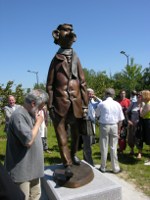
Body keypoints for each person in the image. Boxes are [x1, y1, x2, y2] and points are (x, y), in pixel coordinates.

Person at [46, 24, 88, 177]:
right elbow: (49, 85)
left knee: (76, 134)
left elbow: (83, 83)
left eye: (71, 30)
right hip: (59, 104)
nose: (70, 33)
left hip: (76, 103)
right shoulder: (55, 60)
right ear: (57, 35)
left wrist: (85, 105)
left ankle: (74, 153)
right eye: (66, 30)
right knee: (61, 135)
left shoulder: (76, 58)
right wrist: (50, 105)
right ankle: (67, 163)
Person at [4, 89, 49, 200]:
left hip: (34, 168)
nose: (40, 110)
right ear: (33, 103)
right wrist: (39, 122)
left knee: (35, 196)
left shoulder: (32, 113)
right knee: (22, 197)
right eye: (40, 107)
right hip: (22, 171)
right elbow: (28, 141)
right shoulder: (18, 115)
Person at [96, 88, 124, 173]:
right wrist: (119, 130)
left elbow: (96, 115)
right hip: (114, 125)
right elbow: (121, 119)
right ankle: (115, 168)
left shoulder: (102, 104)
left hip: (104, 125)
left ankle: (103, 167)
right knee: (114, 147)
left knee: (104, 147)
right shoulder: (117, 104)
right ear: (113, 95)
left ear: (105, 94)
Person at [81, 88, 101, 166]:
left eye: (92, 94)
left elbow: (101, 103)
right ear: (86, 94)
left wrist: (95, 97)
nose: (91, 95)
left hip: (92, 124)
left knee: (89, 143)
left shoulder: (93, 102)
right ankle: (89, 162)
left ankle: (85, 159)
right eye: (89, 94)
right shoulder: (82, 102)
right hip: (85, 124)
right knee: (87, 143)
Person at [127, 92, 144, 158]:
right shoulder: (133, 104)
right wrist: (128, 120)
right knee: (131, 138)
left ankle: (139, 152)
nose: (138, 97)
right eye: (138, 96)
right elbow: (127, 112)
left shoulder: (144, 104)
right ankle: (132, 150)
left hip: (140, 124)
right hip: (132, 123)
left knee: (139, 138)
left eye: (140, 96)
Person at [140, 90, 150, 165]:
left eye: (142, 95)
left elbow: (142, 115)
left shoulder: (148, 104)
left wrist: (141, 108)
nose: (141, 97)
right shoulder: (147, 103)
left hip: (148, 122)